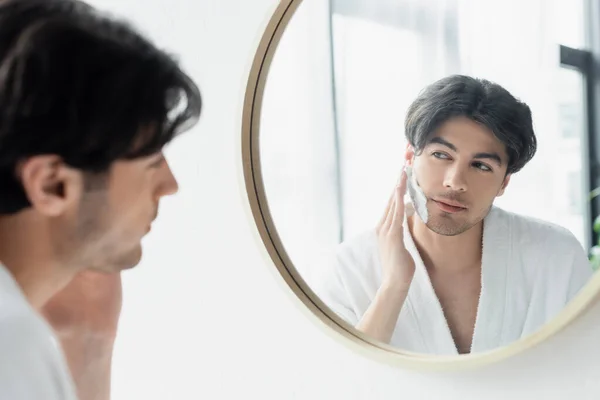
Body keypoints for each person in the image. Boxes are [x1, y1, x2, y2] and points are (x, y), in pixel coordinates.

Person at [0, 0, 201, 399]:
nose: (170, 185)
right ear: (52, 185)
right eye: (152, 160)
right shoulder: (12, 343)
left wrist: (91, 339)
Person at [316, 75, 594, 355]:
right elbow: (343, 383)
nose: (455, 181)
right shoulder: (350, 268)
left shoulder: (556, 256)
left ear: (504, 183)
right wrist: (394, 286)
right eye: (441, 155)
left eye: (482, 166)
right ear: (411, 157)